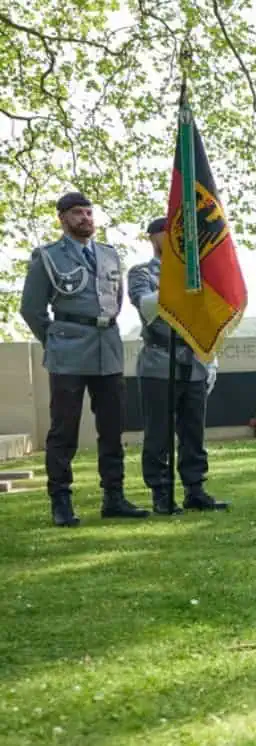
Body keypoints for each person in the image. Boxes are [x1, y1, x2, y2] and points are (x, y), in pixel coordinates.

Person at [20, 191, 145, 526]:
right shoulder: (47, 257)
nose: (85, 219)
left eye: (88, 213)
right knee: (64, 430)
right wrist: (57, 339)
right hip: (68, 352)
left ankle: (114, 497)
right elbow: (31, 309)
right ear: (62, 218)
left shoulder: (108, 255)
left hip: (108, 349)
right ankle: (61, 501)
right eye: (77, 213)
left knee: (112, 426)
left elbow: (114, 301)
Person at [128, 217, 227, 514]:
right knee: (158, 432)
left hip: (194, 360)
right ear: (152, 238)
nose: (170, 238)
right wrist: (179, 282)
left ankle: (195, 488)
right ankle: (161, 492)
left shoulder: (197, 273)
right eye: (164, 233)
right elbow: (145, 305)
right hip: (160, 361)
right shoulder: (141, 273)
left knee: (193, 432)